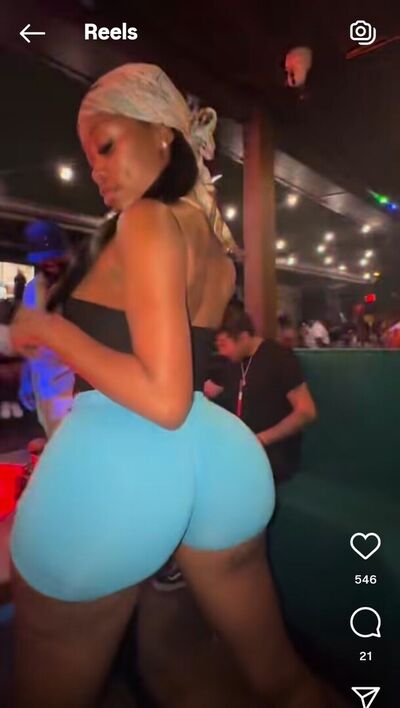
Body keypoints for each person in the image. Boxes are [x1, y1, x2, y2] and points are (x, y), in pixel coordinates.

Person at [10, 64, 334, 708]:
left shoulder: (147, 220)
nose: (97, 170)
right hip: (218, 461)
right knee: (271, 681)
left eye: (106, 145)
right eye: (89, 158)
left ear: (163, 134)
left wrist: (48, 328)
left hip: (120, 471)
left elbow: (161, 397)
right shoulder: (212, 243)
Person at [208, 309, 317, 484]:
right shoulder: (233, 363)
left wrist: (261, 439)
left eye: (223, 345)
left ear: (244, 337)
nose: (221, 352)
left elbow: (306, 411)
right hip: (242, 449)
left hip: (274, 453)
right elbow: (217, 393)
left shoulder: (280, 358)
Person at [17, 221, 75, 437]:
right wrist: (26, 377)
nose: (50, 263)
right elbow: (29, 337)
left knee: (70, 445)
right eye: (43, 259)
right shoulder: (33, 288)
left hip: (71, 388)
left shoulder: (81, 287)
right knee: (53, 442)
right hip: (43, 386)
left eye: (55, 257)